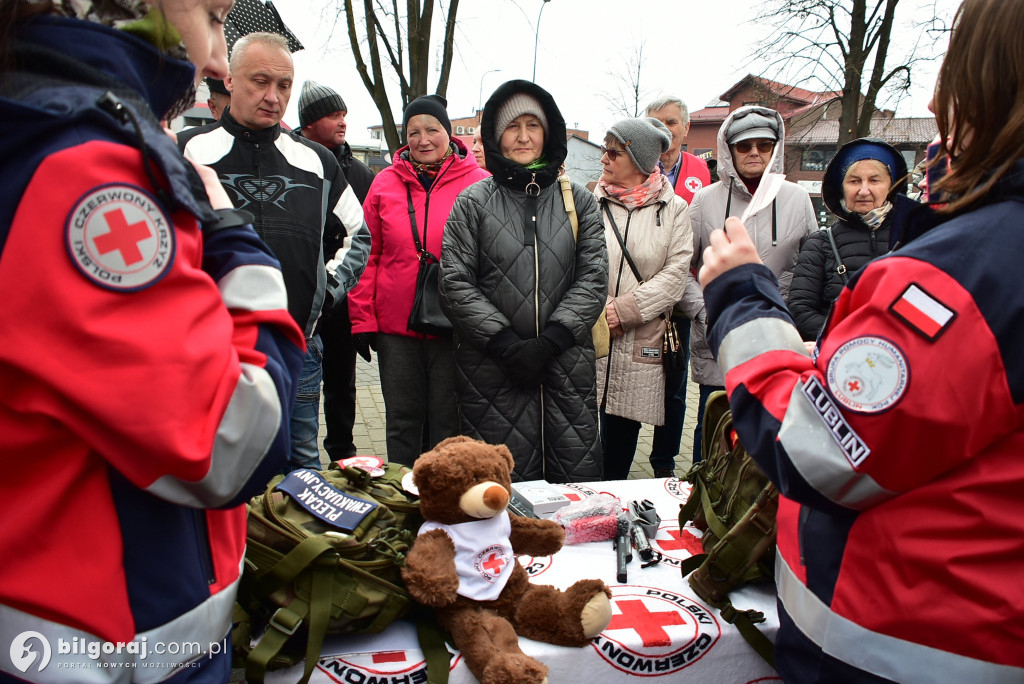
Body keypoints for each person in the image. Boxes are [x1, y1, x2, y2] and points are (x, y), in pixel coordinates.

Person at [698, 0, 1024, 680]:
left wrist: (740, 295)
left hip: (905, 646)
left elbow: (820, 451)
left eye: (957, 74)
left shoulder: (972, 270)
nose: (936, 101)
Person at [0, 2, 305, 680]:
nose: (219, 62)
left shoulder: (43, 129)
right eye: (211, 14)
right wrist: (239, 248)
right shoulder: (85, 168)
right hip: (106, 645)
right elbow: (234, 441)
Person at [179, 33, 370, 473]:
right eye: (260, 81)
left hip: (297, 347)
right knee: (214, 467)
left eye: (284, 85)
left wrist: (324, 295)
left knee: (300, 465)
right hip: (211, 351)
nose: (273, 96)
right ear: (230, 79)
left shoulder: (317, 161)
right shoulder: (190, 151)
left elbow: (358, 234)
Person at [441, 80, 608, 483]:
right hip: (493, 369)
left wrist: (551, 340)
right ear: (496, 136)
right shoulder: (473, 202)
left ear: (548, 131)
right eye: (512, 127)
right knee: (499, 494)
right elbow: (454, 282)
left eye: (532, 125)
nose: (522, 136)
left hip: (566, 365)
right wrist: (505, 343)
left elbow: (594, 276)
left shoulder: (579, 201)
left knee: (575, 497)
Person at [348, 94, 487, 467]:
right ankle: (402, 495)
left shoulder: (480, 184)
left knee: (448, 422)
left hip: (454, 327)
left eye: (432, 129)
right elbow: (366, 256)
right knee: (402, 422)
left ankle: (444, 504)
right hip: (396, 330)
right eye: (413, 132)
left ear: (449, 133)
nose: (423, 139)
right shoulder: (384, 184)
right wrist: (362, 320)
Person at [687, 105, 816, 461]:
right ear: (729, 151)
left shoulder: (798, 198)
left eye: (764, 144)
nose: (755, 152)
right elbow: (682, 268)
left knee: (774, 436)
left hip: (781, 339)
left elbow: (810, 268)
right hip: (719, 339)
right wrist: (704, 310)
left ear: (776, 147)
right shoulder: (704, 201)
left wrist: (793, 315)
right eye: (744, 146)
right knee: (714, 434)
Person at [595, 117, 693, 480]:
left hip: (640, 337)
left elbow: (675, 276)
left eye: (612, 151)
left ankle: (613, 500)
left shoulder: (674, 209)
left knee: (621, 435)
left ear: (638, 162)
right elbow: (578, 260)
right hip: (593, 331)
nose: (603, 158)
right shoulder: (593, 200)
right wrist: (598, 309)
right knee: (584, 432)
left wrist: (624, 311)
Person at [297, 79, 376, 463]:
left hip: (342, 299)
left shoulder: (361, 176)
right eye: (332, 115)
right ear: (309, 122)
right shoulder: (292, 162)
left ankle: (343, 456)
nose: (342, 122)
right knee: (300, 387)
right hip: (300, 299)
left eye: (344, 114)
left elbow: (369, 241)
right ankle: (300, 456)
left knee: (342, 384)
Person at [645, 95, 711, 478]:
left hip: (681, 299)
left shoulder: (701, 171)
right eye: (654, 123)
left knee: (674, 383)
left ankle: (663, 462)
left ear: (685, 129)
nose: (663, 130)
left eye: (670, 122)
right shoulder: (637, 166)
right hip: (640, 294)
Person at [789, 138, 910, 341]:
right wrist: (849, 341)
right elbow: (801, 310)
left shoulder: (912, 239)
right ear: (842, 187)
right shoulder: (820, 244)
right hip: (838, 358)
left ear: (891, 185)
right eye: (854, 181)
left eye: (874, 180)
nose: (863, 191)